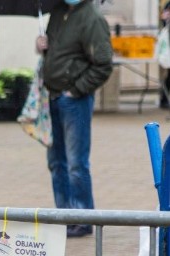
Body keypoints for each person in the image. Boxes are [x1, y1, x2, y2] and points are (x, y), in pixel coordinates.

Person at [36, 0, 112, 238]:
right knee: (56, 162)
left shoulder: (92, 18)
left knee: (76, 163)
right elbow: (63, 54)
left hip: (74, 101)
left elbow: (103, 63)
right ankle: (64, 215)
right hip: (54, 97)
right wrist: (43, 48)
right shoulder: (59, 12)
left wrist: (76, 90)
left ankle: (82, 217)